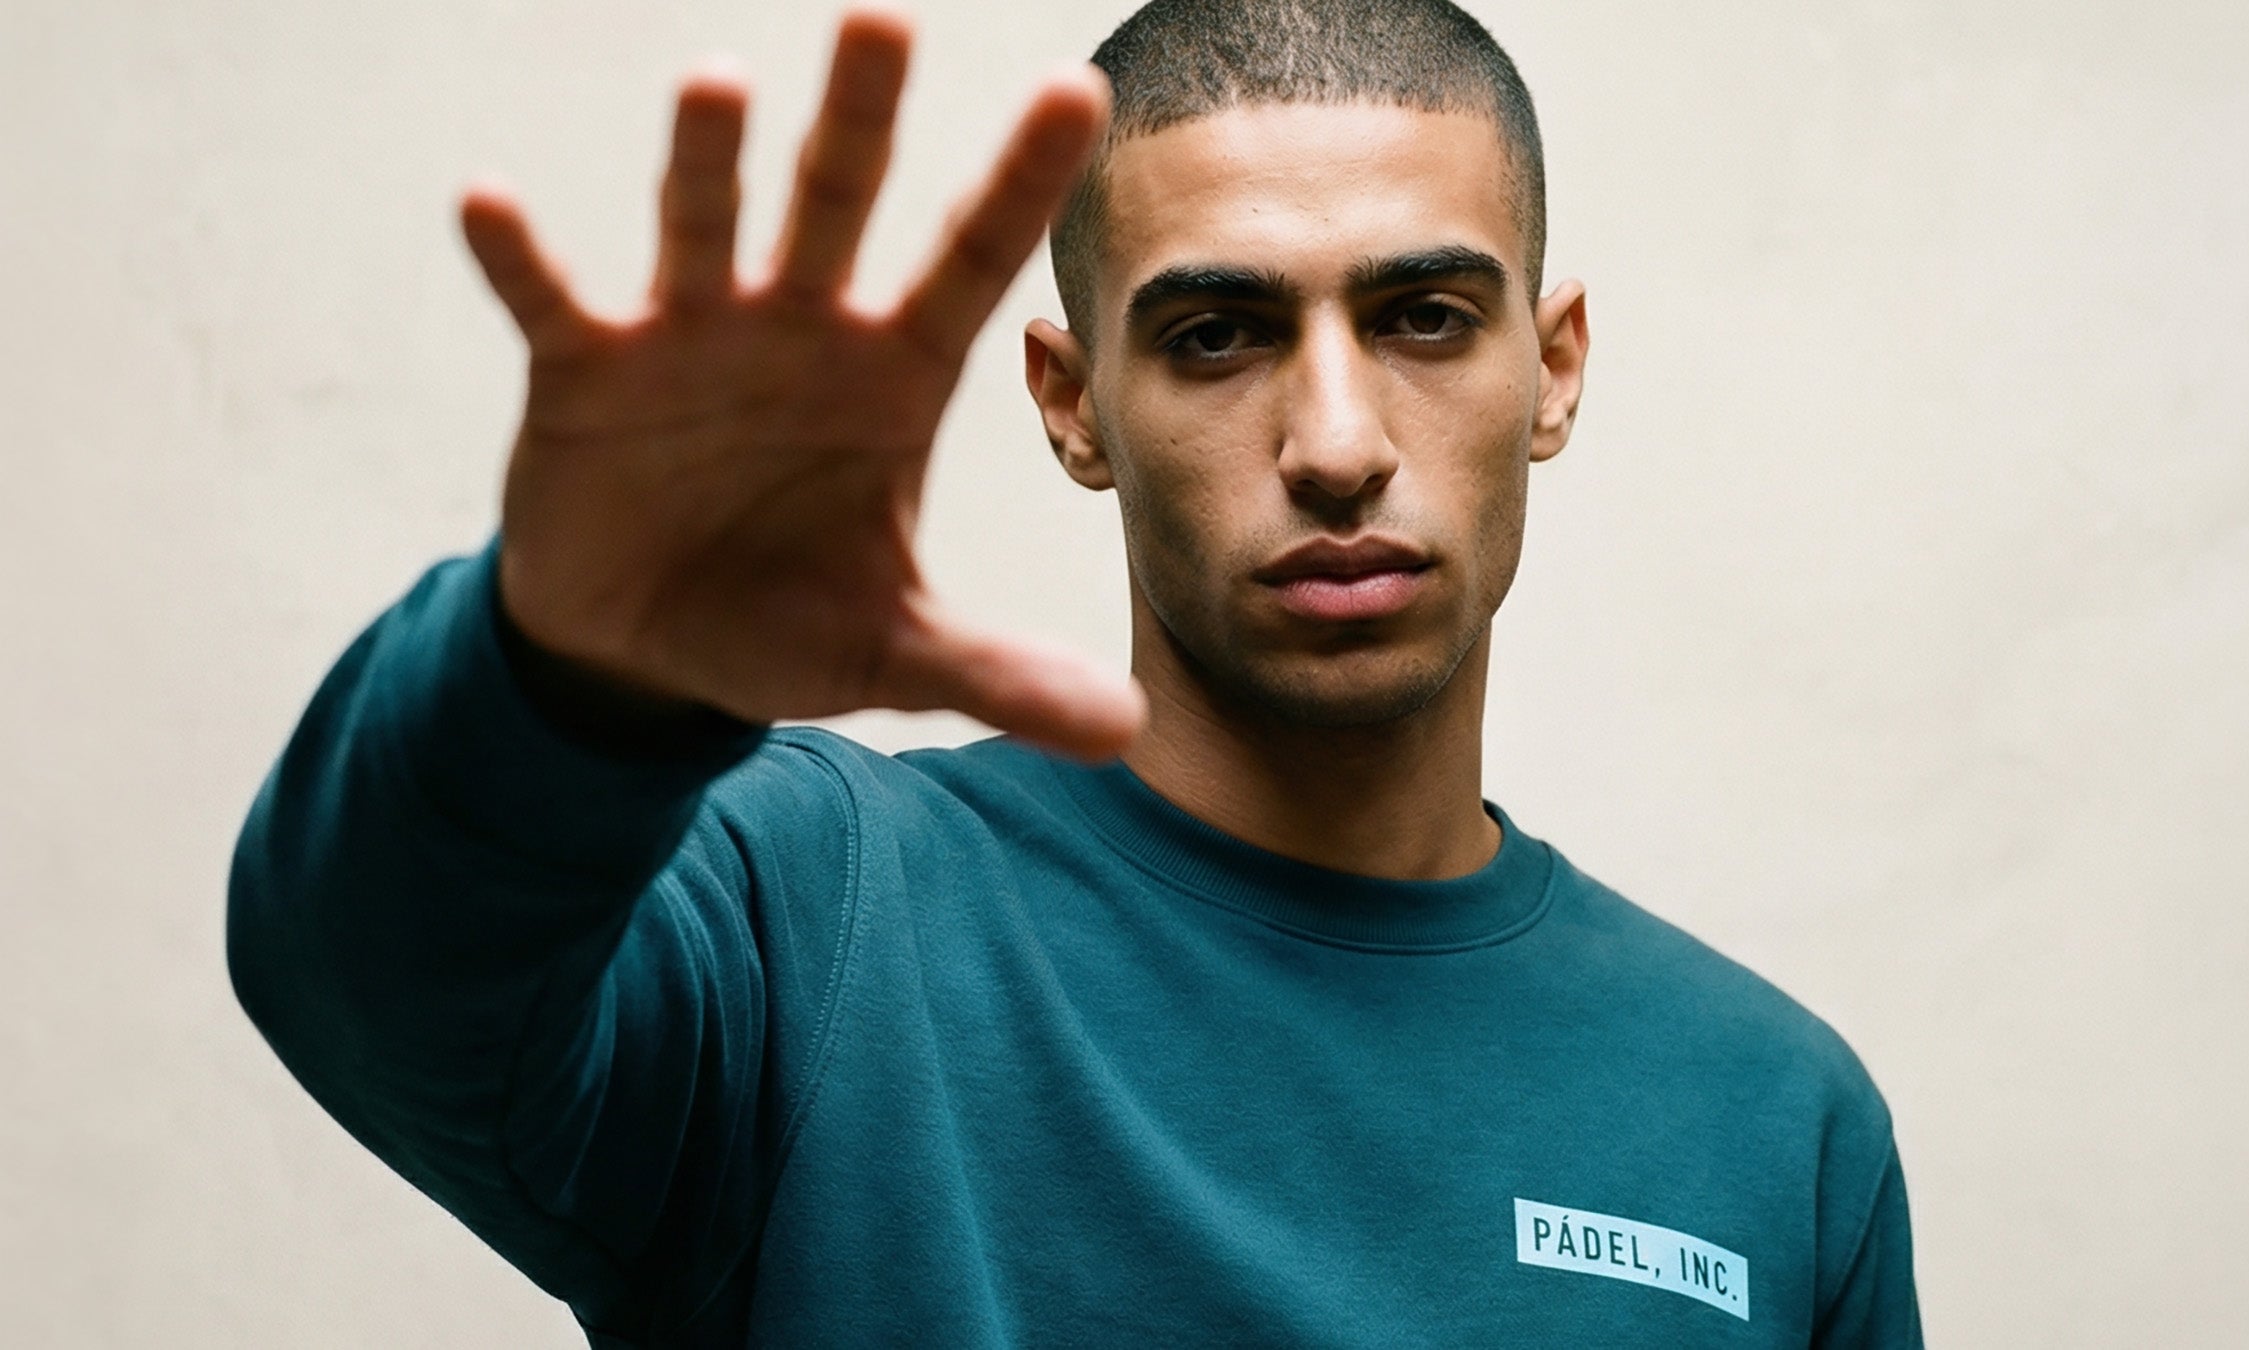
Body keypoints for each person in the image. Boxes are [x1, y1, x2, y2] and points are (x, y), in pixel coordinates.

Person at [227, 0, 1924, 1344]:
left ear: (1549, 371)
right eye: (1217, 333)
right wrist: (567, 672)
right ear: (1070, 402)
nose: (1336, 443)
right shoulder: (817, 911)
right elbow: (368, 972)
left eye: (1422, 317)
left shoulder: (1773, 1116)